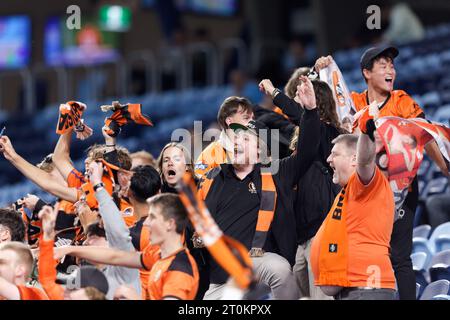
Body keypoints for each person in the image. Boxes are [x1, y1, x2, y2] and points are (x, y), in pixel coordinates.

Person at [314, 44, 449, 300]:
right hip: (365, 195)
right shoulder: (354, 102)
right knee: (363, 251)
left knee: (400, 257)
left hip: (401, 189)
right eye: (383, 65)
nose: (390, 70)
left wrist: (443, 166)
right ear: (366, 73)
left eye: (392, 65)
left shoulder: (401, 100)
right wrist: (318, 70)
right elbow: (326, 103)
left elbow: (425, 132)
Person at [199, 76, 321, 300]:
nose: (236, 142)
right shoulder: (214, 178)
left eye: (245, 139)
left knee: (280, 270)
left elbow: (307, 151)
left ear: (259, 151)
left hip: (259, 262)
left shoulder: (275, 173)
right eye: (234, 138)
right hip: (221, 275)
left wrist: (311, 112)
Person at [54, 193, 199, 300]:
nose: (146, 223)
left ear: (170, 224)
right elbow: (115, 256)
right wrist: (68, 249)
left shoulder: (180, 269)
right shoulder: (158, 255)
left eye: (152, 217)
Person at [310, 130, 396, 300]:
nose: (328, 159)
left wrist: (366, 130)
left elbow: (365, 162)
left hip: (367, 287)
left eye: (334, 154)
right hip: (354, 289)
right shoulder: (349, 190)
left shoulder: (366, 183)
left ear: (354, 159)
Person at [195, 96, 254, 177]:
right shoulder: (209, 155)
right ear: (229, 121)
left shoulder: (259, 150)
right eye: (246, 118)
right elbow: (202, 187)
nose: (252, 122)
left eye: (252, 118)